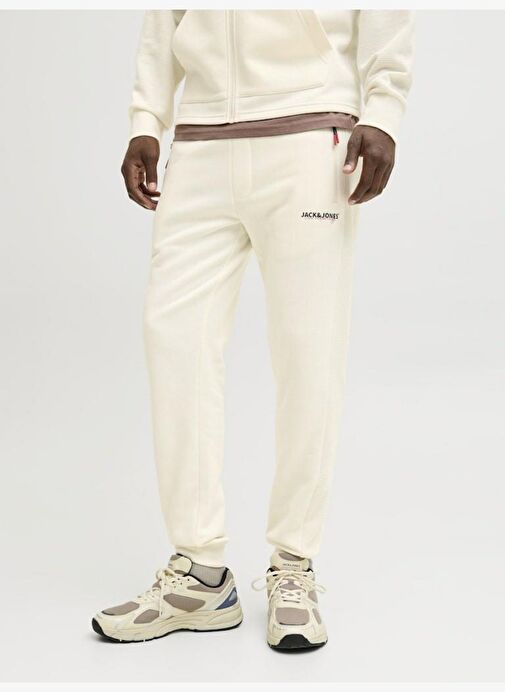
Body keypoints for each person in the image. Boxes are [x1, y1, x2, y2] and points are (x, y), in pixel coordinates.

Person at [92, 9, 413, 650]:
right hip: (200, 145)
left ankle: (294, 562)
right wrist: (146, 122)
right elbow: (164, 21)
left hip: (309, 138)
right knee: (174, 343)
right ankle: (200, 575)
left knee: (308, 352)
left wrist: (383, 113)